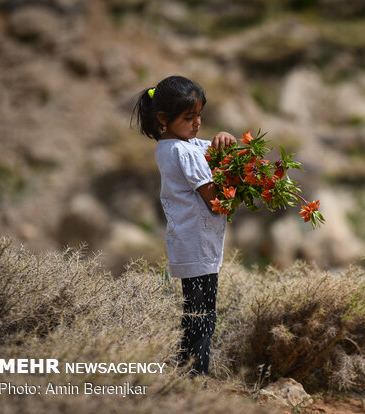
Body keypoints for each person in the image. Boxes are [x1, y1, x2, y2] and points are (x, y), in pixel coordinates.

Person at [132, 75, 236, 376]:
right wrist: (234, 185)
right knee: (202, 321)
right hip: (196, 245)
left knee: (196, 317)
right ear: (164, 118)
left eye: (200, 115)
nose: (198, 123)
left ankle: (185, 378)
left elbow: (212, 147)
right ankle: (193, 383)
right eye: (189, 117)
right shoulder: (180, 151)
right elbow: (215, 200)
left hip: (193, 243)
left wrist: (225, 139)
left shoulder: (180, 144)